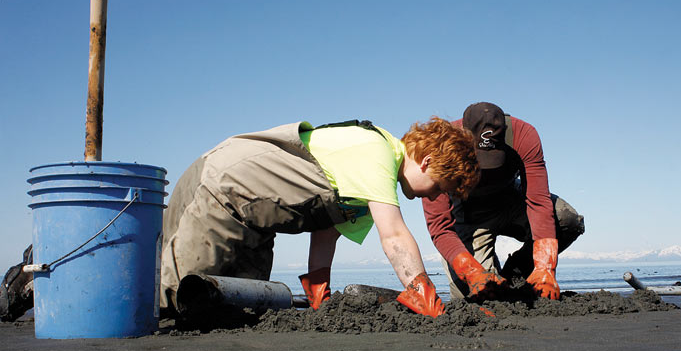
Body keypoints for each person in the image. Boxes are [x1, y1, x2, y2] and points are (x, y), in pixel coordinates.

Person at [160, 117, 480, 318]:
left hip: (254, 222)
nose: (434, 196)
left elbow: (326, 233)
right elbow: (394, 236)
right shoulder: (376, 150)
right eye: (440, 186)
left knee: (242, 309)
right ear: (425, 161)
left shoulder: (369, 188)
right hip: (219, 188)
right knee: (181, 302)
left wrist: (319, 295)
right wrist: (424, 293)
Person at [423, 102, 585, 302]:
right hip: (469, 213)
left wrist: (545, 266)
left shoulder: (524, 135)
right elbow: (440, 227)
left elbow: (538, 201)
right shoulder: (441, 145)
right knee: (479, 297)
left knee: (566, 219)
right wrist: (471, 271)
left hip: (510, 199)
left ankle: (516, 272)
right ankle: (491, 280)